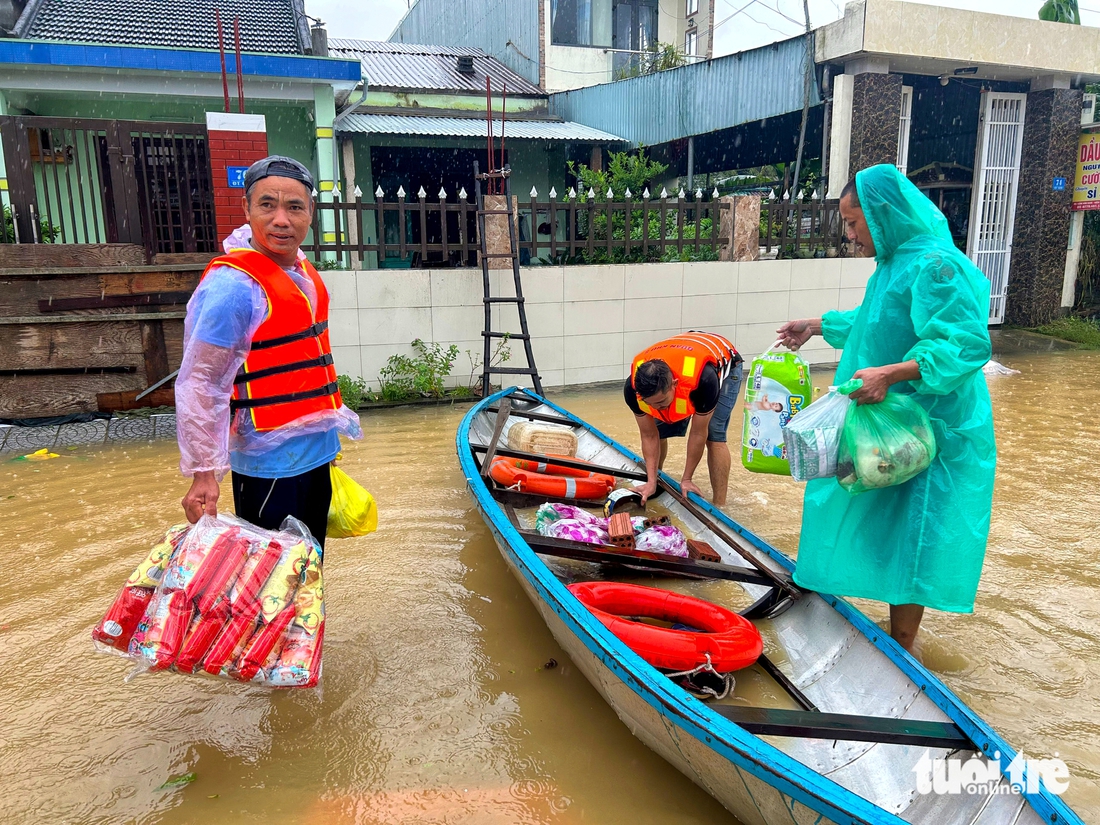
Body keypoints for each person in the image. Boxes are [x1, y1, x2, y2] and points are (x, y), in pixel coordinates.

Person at [776, 164, 996, 653]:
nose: (850, 235)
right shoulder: (895, 263)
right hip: (885, 418)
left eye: (854, 223)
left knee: (914, 528)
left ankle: (903, 647)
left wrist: (891, 374)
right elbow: (873, 320)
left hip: (928, 427)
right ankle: (858, 612)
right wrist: (815, 325)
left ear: (882, 216)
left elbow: (964, 343)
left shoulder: (936, 265)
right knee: (853, 501)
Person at [176, 155, 362, 548]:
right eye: (267, 205)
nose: (282, 220)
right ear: (246, 209)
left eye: (295, 207)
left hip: (316, 456)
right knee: (270, 576)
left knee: (307, 569)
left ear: (310, 213)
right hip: (268, 468)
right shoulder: (233, 287)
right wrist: (204, 473)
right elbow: (201, 381)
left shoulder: (301, 270)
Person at [624, 331, 743, 506]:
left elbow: (698, 433)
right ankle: (655, 482)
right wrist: (650, 481)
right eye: (650, 404)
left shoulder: (705, 381)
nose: (657, 408)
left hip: (724, 362)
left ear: (674, 384)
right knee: (659, 428)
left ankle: (720, 504)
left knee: (714, 434)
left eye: (661, 402)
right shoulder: (632, 389)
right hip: (683, 349)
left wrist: (687, 479)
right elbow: (649, 435)